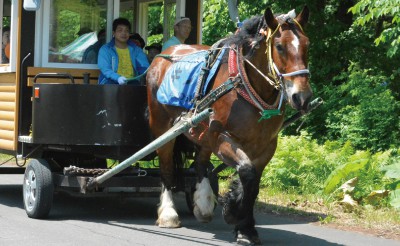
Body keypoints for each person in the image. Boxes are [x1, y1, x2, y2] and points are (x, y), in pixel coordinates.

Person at [98, 18, 149, 85]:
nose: (124, 33)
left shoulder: (136, 50)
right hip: (111, 82)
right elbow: (105, 69)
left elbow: (144, 68)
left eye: (126, 31)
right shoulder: (106, 49)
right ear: (114, 33)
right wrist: (118, 78)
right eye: (120, 30)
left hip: (131, 82)